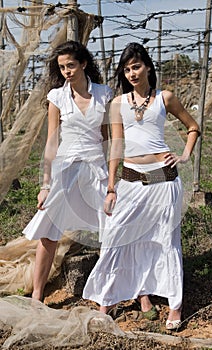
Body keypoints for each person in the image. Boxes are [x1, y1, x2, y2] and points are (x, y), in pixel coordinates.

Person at [82, 42, 200, 330]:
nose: (132, 73)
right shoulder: (118, 104)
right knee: (115, 240)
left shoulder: (165, 98)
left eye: (136, 66)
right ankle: (106, 301)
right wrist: (111, 187)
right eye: (127, 69)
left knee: (165, 241)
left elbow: (193, 126)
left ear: (147, 66)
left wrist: (183, 155)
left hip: (163, 180)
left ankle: (175, 306)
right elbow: (116, 148)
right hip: (131, 181)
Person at [23, 40, 112, 301]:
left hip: (96, 167)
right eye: (62, 67)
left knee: (111, 228)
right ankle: (37, 295)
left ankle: (109, 294)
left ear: (83, 63)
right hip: (65, 168)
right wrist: (45, 184)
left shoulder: (104, 94)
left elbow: (107, 138)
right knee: (49, 231)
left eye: (71, 65)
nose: (66, 71)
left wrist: (111, 178)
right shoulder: (57, 97)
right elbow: (52, 141)